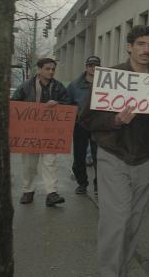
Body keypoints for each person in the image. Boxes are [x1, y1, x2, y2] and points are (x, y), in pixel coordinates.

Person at [80, 25, 149, 277]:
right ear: (129, 46)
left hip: (146, 160)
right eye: (141, 44)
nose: (146, 49)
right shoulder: (110, 77)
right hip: (113, 156)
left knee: (133, 223)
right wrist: (115, 121)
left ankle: (124, 270)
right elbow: (86, 119)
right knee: (115, 222)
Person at [12, 57, 70, 207]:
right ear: (39, 69)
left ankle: (52, 193)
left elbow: (69, 104)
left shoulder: (58, 87)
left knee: (50, 163)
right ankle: (28, 190)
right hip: (30, 133)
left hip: (51, 133)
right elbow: (14, 104)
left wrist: (58, 104)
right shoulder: (26, 86)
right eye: (47, 69)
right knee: (29, 164)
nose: (51, 72)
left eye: (53, 69)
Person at [66, 55, 101, 195]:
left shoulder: (105, 83)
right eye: (91, 65)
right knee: (79, 156)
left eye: (96, 66)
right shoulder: (74, 85)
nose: (93, 68)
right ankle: (82, 183)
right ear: (86, 67)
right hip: (80, 125)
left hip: (98, 125)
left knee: (99, 156)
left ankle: (99, 184)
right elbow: (67, 103)